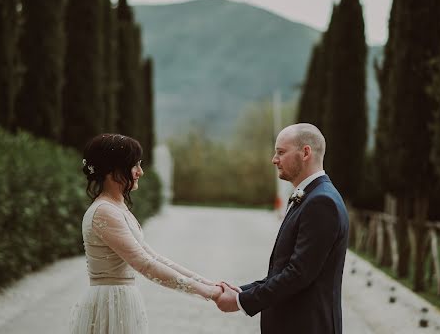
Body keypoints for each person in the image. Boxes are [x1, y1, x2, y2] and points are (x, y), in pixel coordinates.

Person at [70, 133, 222, 334]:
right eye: (134, 165)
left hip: (121, 299)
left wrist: (206, 283)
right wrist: (208, 293)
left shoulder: (117, 206)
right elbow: (145, 264)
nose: (140, 172)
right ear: (111, 170)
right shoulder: (104, 211)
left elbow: (152, 256)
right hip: (109, 303)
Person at [216, 123, 349, 334]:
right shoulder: (312, 196)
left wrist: (241, 301)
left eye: (281, 152)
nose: (274, 159)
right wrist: (240, 291)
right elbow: (282, 270)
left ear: (305, 152)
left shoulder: (322, 202)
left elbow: (298, 274)